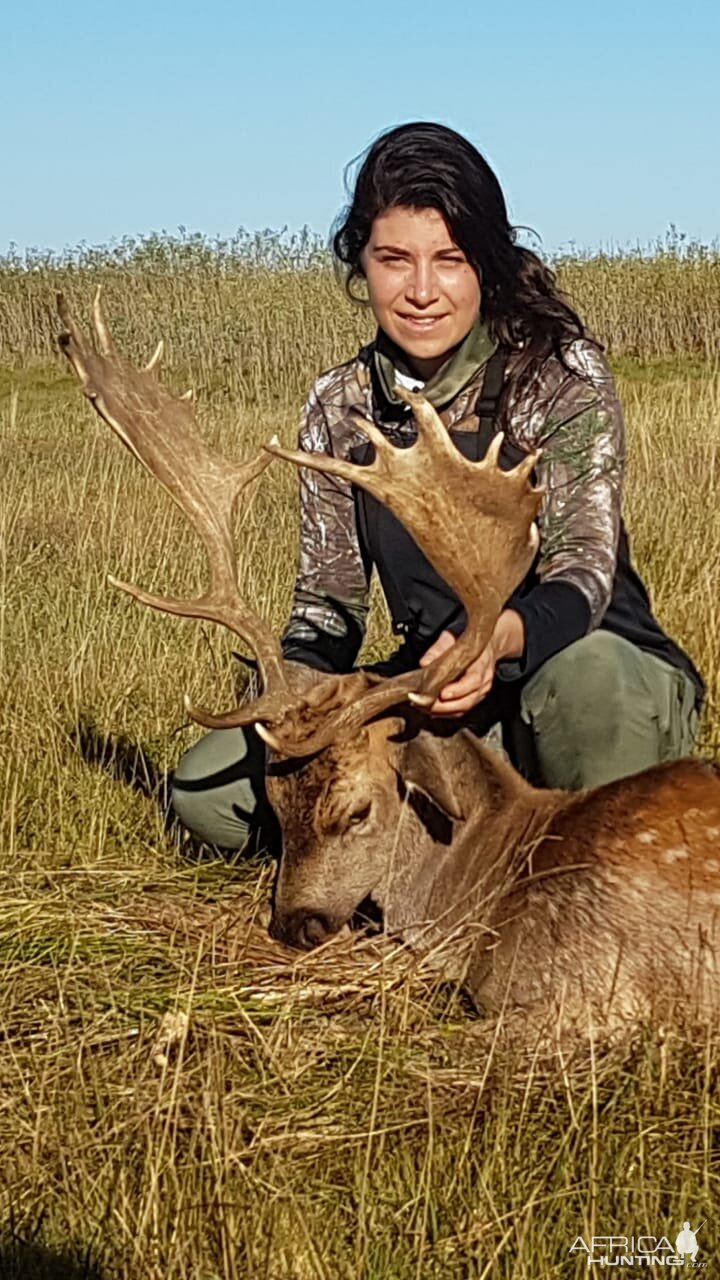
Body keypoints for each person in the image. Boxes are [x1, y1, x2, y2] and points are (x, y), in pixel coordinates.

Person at [171, 121, 704, 852]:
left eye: (449, 260)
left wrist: (496, 641)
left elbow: (585, 573)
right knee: (212, 791)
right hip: (433, 691)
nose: (421, 290)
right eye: (394, 260)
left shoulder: (558, 376)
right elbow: (329, 606)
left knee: (594, 686)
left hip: (577, 668)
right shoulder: (339, 405)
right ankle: (439, 863)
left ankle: (589, 867)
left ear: (486, 265)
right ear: (362, 265)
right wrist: (291, 684)